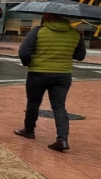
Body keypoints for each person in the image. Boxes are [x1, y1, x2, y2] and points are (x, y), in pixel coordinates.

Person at [15, 14, 87, 151]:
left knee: (33, 103)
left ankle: (29, 130)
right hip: (63, 74)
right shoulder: (75, 33)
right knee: (59, 106)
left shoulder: (38, 31)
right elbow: (80, 56)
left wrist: (28, 63)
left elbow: (24, 51)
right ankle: (62, 140)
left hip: (38, 73)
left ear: (46, 18)